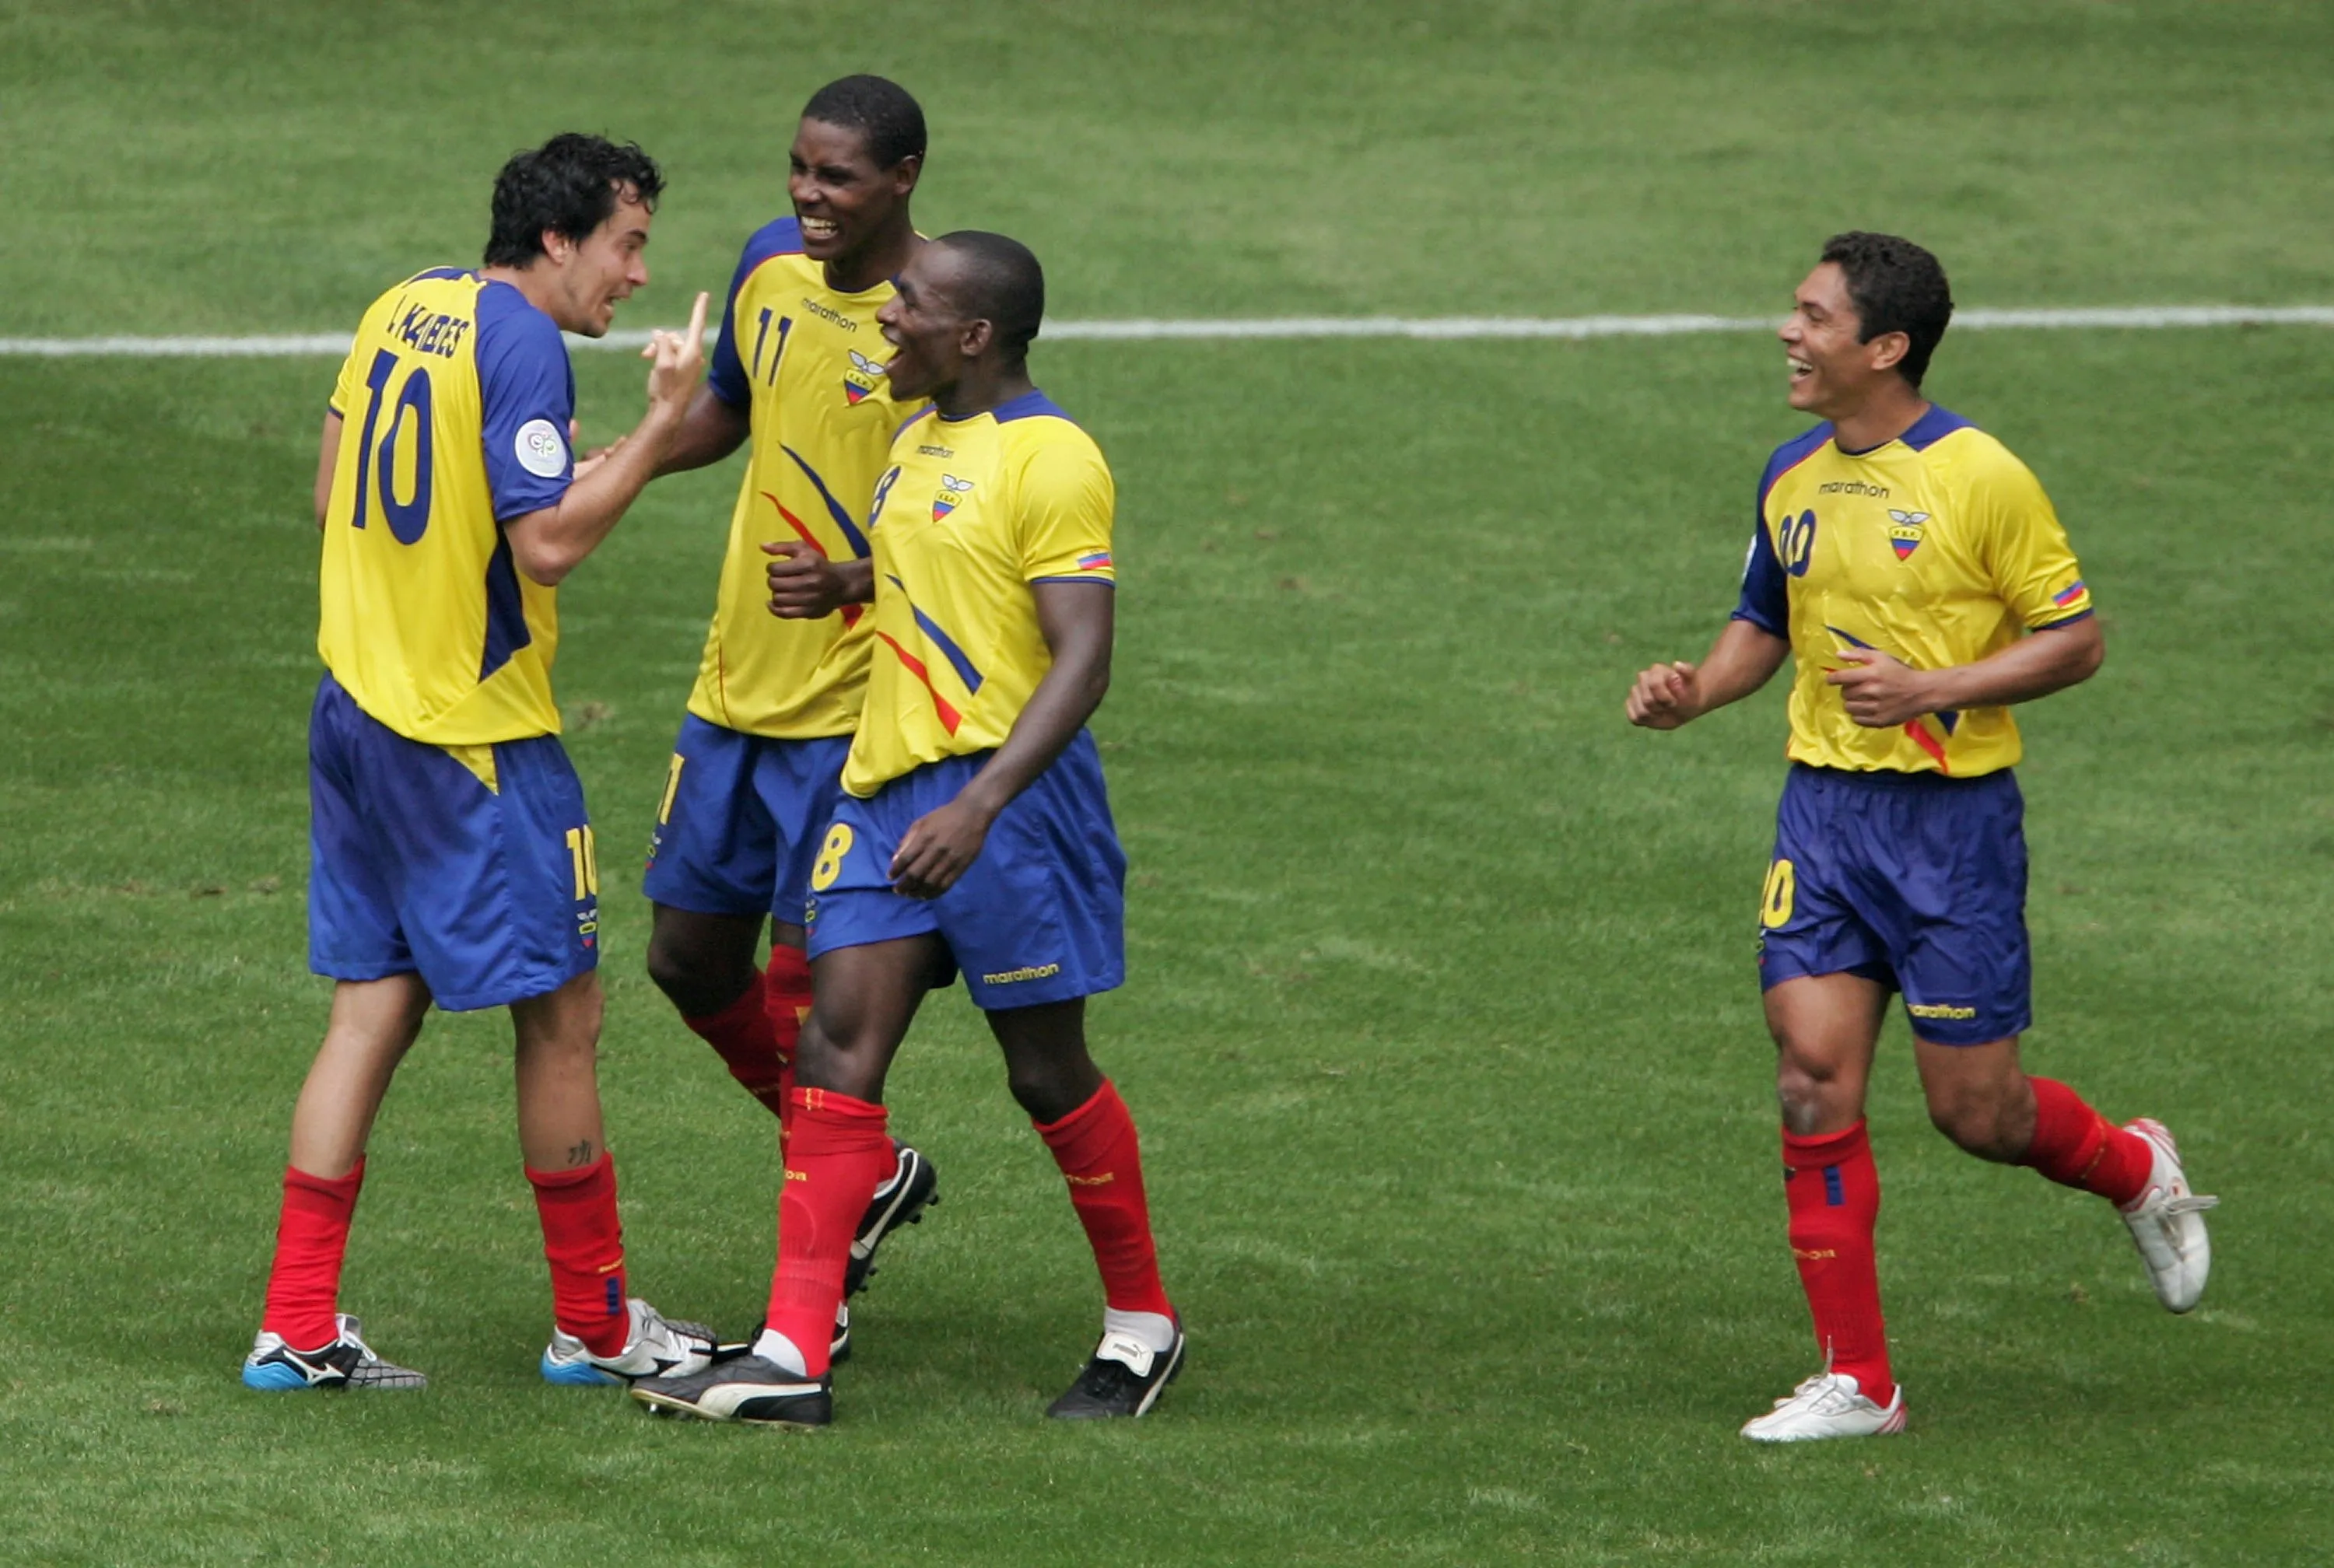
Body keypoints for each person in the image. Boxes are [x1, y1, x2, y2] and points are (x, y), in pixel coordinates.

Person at [1624, 232, 2217, 1443]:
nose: (1789, 333)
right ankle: (1862, 1383)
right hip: (1826, 818)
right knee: (1809, 1083)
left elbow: (2078, 638)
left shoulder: (1981, 477)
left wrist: (1938, 684)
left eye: (1813, 316)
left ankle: (2134, 1169)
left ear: (1884, 348)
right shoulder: (1790, 473)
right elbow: (1762, 619)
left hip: (1952, 833)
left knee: (1979, 1115)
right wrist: (1698, 693)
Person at [631, 232, 1180, 1428]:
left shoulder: (1054, 456)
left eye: (913, 309)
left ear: (975, 334)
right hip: (885, 795)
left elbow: (1081, 660)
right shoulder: (917, 439)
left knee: (1044, 1072)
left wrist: (982, 807)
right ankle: (790, 1355)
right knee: (833, 1052)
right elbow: (933, 570)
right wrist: (845, 583)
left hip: (1009, 807)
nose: (888, 321)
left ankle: (1143, 1323)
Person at [243, 134, 720, 1391]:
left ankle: (296, 1325)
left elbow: (334, 485)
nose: (634, 274)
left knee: (373, 1006)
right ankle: (599, 1326)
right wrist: (663, 429)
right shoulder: (521, 344)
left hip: (357, 712)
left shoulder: (408, 302)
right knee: (564, 1013)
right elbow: (550, 545)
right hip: (472, 740)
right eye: (627, 245)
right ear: (557, 240)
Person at [631, 77, 939, 1357]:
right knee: (687, 960)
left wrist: (859, 579)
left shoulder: (943, 320)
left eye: (840, 178)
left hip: (857, 713)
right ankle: (866, 1168)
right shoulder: (769, 263)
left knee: (823, 1020)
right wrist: (636, 455)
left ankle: (807, 1306)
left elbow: (973, 520)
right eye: (799, 170)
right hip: (734, 688)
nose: (810, 195)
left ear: (905, 179)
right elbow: (737, 405)